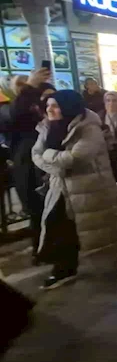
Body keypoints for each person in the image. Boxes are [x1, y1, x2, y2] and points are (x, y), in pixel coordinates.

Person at [32, 90, 117, 289]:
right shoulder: (48, 127)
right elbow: (36, 154)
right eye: (48, 105)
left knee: (110, 223)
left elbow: (74, 158)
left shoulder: (89, 127)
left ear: (68, 107)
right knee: (62, 226)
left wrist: (50, 157)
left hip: (92, 187)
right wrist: (56, 165)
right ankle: (64, 269)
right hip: (61, 188)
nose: (50, 109)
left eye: (55, 106)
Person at [9, 68, 52, 261]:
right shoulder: (11, 108)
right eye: (19, 85)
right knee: (35, 209)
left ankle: (51, 248)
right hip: (26, 165)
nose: (23, 88)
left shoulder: (36, 105)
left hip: (44, 162)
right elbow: (16, 114)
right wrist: (30, 87)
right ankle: (42, 249)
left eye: (25, 84)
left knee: (50, 208)